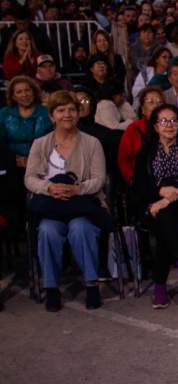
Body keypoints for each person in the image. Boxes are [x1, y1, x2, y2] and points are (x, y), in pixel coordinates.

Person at [25, 91, 107, 312]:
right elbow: (30, 178)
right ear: (52, 116)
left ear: (78, 114)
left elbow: (99, 179)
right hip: (51, 205)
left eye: (71, 110)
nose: (67, 114)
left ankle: (91, 284)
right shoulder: (40, 144)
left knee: (81, 228)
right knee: (47, 231)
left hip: (81, 204)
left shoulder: (92, 143)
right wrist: (49, 188)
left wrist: (77, 189)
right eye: (61, 110)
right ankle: (51, 288)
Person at [130, 104, 178, 308]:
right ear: (155, 126)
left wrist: (166, 199)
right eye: (164, 121)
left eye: (173, 120)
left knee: (165, 220)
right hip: (152, 204)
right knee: (165, 219)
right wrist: (160, 194)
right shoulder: (146, 152)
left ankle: (160, 288)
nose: (169, 125)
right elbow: (140, 185)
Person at [0, 75, 53, 227]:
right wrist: (14, 159)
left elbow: (53, 139)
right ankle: (17, 225)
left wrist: (33, 160)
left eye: (28, 90)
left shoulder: (46, 112)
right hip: (13, 163)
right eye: (19, 92)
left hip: (43, 161)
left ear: (34, 91)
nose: (24, 94)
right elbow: (0, 143)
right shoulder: (4, 114)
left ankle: (40, 222)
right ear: (13, 96)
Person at [118, 86, 164, 188]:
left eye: (159, 102)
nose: (156, 105)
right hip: (140, 183)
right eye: (150, 102)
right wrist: (133, 181)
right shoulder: (133, 129)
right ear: (143, 109)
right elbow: (124, 160)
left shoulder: (172, 127)